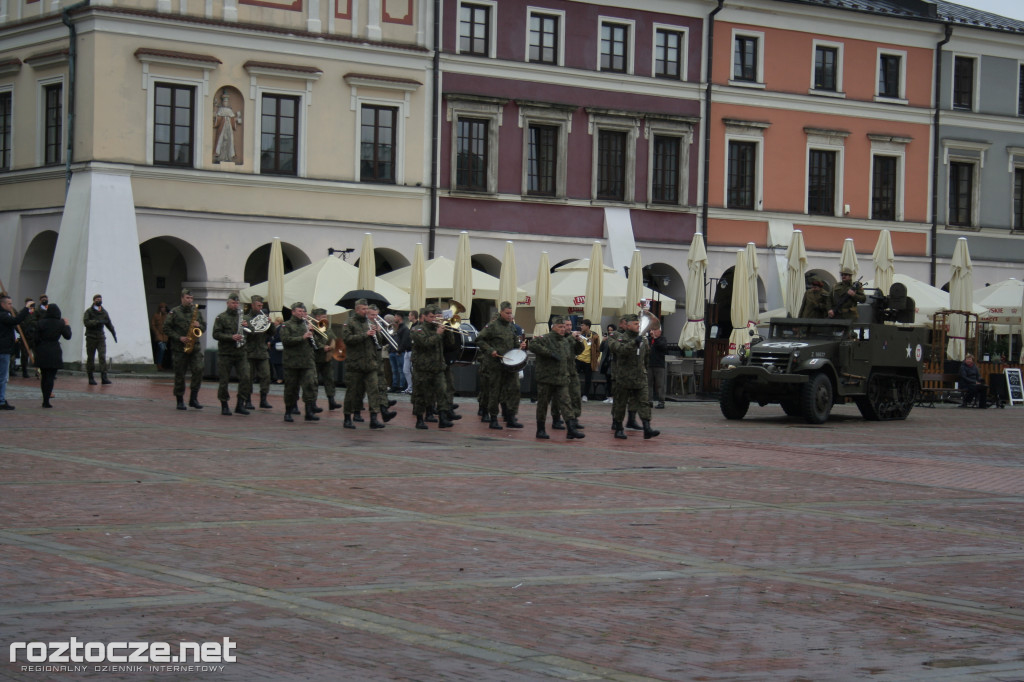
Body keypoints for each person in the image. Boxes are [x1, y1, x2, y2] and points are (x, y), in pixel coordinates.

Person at [475, 301, 527, 430]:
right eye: (507, 313)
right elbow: (479, 339)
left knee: (514, 390)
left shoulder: (511, 327)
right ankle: (493, 418)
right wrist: (490, 350)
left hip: (510, 364)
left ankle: (510, 417)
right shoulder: (492, 326)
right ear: (501, 312)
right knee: (495, 392)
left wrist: (520, 346)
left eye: (511, 313)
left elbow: (515, 341)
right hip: (495, 364)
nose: (510, 316)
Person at [530, 317, 583, 440]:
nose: (563, 329)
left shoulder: (565, 341)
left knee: (566, 403)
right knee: (543, 404)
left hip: (561, 379)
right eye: (560, 327)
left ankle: (571, 429)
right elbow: (532, 345)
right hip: (546, 379)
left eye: (564, 327)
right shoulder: (546, 338)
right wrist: (549, 353)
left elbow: (574, 353)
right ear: (553, 327)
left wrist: (579, 342)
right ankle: (541, 429)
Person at [609, 313, 660, 440]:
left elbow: (646, 357)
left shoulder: (643, 339)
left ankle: (647, 427)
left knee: (644, 403)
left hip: (639, 377)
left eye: (639, 324)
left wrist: (644, 370)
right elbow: (621, 350)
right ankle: (619, 427)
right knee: (620, 404)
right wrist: (634, 344)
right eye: (636, 324)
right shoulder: (619, 338)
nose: (638, 326)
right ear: (628, 325)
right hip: (624, 377)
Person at [340, 299, 386, 429]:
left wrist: (377, 332)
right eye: (363, 309)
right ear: (357, 310)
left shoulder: (369, 322)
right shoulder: (349, 323)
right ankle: (348, 417)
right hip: (355, 364)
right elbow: (347, 339)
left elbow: (379, 343)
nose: (366, 312)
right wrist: (365, 334)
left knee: (373, 391)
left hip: (370, 364)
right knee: (352, 392)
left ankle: (374, 418)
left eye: (367, 309)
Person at [163, 288, 207, 410]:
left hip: (195, 347)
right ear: (182, 298)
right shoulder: (174, 312)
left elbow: (203, 327)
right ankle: (180, 400)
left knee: (198, 369)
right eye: (187, 298)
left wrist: (199, 326)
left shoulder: (196, 312)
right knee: (180, 374)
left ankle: (193, 398)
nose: (190, 300)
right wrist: (179, 338)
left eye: (191, 298)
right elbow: (166, 328)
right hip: (179, 348)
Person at [410, 304, 450, 429]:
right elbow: (425, 343)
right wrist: (438, 334)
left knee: (442, 392)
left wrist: (447, 330)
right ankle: (420, 419)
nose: (434, 319)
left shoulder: (437, 328)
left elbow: (451, 344)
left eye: (435, 316)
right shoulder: (418, 330)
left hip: (438, 367)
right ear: (425, 317)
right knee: (421, 394)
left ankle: (443, 418)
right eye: (431, 317)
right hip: (423, 368)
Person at [212, 292, 252, 416]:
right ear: (228, 303)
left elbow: (251, 332)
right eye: (233, 303)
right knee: (224, 380)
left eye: (237, 303)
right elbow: (216, 334)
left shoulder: (242, 317)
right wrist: (231, 337)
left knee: (246, 377)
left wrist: (247, 326)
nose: (235, 305)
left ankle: (240, 403)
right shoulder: (221, 317)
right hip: (226, 353)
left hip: (241, 353)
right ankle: (224, 404)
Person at [279, 302, 319, 422]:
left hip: (307, 361)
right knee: (291, 388)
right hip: (292, 362)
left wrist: (313, 333)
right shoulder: (287, 325)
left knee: (310, 386)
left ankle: (309, 412)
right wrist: (302, 337)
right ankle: (288, 412)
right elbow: (285, 340)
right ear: (293, 312)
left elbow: (314, 342)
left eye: (303, 311)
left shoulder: (307, 324)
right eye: (299, 311)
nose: (302, 313)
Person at [34, 303, 72, 408]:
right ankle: (47, 400)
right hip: (54, 350)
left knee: (44, 376)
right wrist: (67, 325)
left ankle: (44, 398)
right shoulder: (60, 323)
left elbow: (35, 339)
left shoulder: (40, 323)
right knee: (51, 376)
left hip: (42, 350)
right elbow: (68, 336)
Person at [0, 294, 32, 410]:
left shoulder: (5, 315)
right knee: (3, 377)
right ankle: (1, 400)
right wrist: (26, 308)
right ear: (2, 304)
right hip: (3, 350)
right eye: (9, 304)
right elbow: (16, 320)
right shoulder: (3, 315)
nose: (11, 306)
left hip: (5, 349)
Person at [243, 295, 275, 409]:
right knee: (248, 377)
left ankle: (263, 399)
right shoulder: (245, 318)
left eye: (262, 306)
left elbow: (272, 333)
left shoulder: (264, 317)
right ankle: (247, 400)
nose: (260, 308)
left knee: (266, 375)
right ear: (252, 305)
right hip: (249, 351)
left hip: (262, 351)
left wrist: (270, 324)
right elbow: (246, 334)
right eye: (258, 306)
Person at [310, 308, 340, 411]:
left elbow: (332, 338)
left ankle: (331, 401)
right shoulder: (311, 326)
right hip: (315, 357)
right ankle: (312, 403)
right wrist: (322, 346)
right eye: (323, 317)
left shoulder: (325, 326)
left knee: (330, 379)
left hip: (326, 358)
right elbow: (313, 339)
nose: (325, 319)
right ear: (317, 317)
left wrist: (332, 346)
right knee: (314, 381)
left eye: (326, 317)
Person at [83, 293, 116, 385]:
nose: (99, 301)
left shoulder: (104, 312)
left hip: (101, 337)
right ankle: (91, 377)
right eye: (97, 299)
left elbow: (108, 323)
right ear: (94, 301)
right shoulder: (89, 312)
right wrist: (96, 322)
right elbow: (86, 322)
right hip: (91, 337)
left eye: (100, 299)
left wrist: (113, 333)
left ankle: (104, 377)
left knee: (102, 356)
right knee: (91, 358)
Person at [574, 319, 600, 402]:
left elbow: (598, 349)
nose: (581, 327)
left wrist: (595, 359)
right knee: (574, 377)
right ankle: (574, 394)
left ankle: (585, 395)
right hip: (578, 359)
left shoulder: (594, 335)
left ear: (587, 326)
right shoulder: (578, 335)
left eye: (582, 325)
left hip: (588, 361)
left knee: (588, 379)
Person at [213, 92, 241, 164]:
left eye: (226, 101)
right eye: (224, 101)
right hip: (222, 128)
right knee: (222, 140)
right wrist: (216, 116)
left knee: (229, 141)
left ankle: (229, 156)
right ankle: (221, 156)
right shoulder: (221, 109)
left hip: (229, 128)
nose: (225, 102)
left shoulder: (229, 110)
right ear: (222, 102)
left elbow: (232, 119)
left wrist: (237, 118)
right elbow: (218, 118)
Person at [647, 326, 668, 409]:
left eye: (655, 330)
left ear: (660, 331)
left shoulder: (662, 339)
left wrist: (655, 338)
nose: (652, 332)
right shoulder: (648, 340)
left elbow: (662, 347)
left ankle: (661, 401)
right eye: (651, 330)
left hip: (659, 365)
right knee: (649, 384)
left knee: (660, 384)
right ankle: (649, 401)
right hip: (649, 364)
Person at [151, 302, 169, 370]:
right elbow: (153, 325)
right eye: (162, 307)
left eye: (164, 307)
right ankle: (158, 364)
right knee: (161, 349)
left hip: (165, 335)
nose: (163, 309)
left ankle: (161, 364)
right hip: (159, 335)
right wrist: (156, 332)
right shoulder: (156, 315)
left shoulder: (167, 316)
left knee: (163, 350)